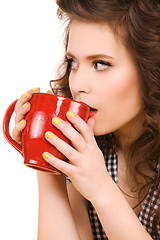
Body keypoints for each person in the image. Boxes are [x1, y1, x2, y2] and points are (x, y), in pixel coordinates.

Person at [12, 0, 160, 239]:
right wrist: (46, 160)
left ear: (152, 69)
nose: (78, 85)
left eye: (101, 64)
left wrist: (102, 189)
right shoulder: (88, 149)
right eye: (73, 63)